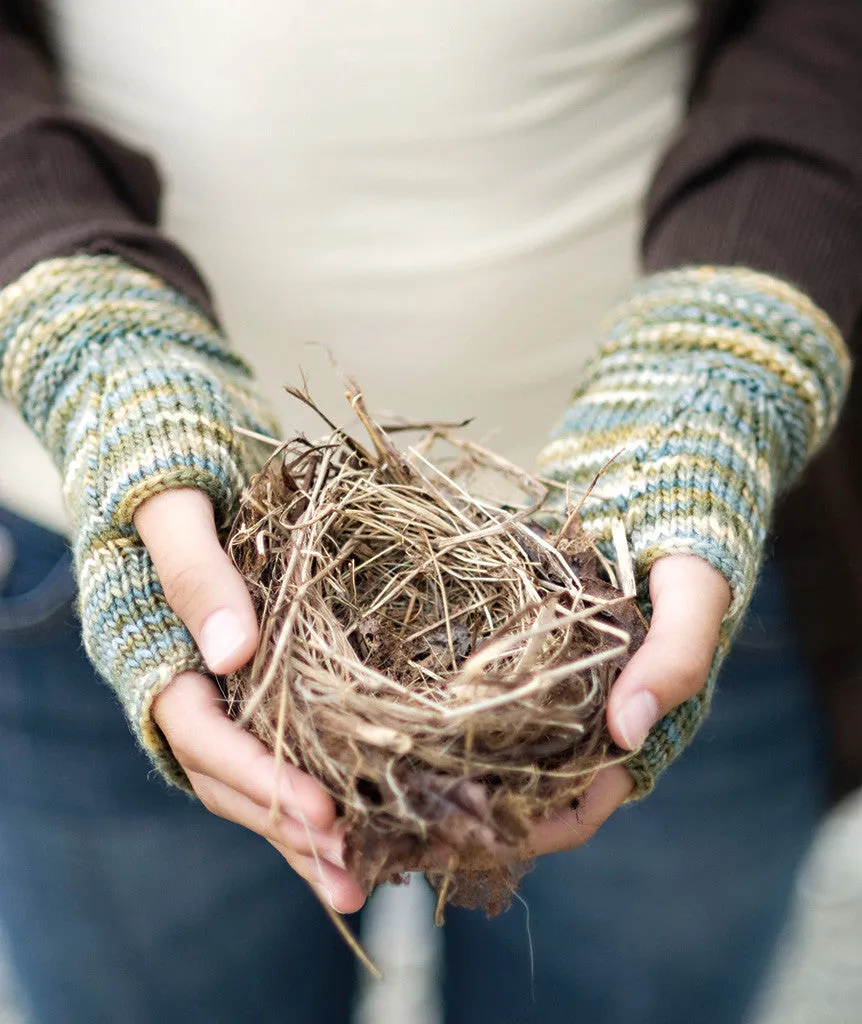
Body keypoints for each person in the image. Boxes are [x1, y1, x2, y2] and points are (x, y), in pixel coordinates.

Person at [0, 1, 860, 1022]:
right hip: (110, 541)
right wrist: (85, 333)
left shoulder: (674, 510)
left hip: (673, 553)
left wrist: (725, 362)